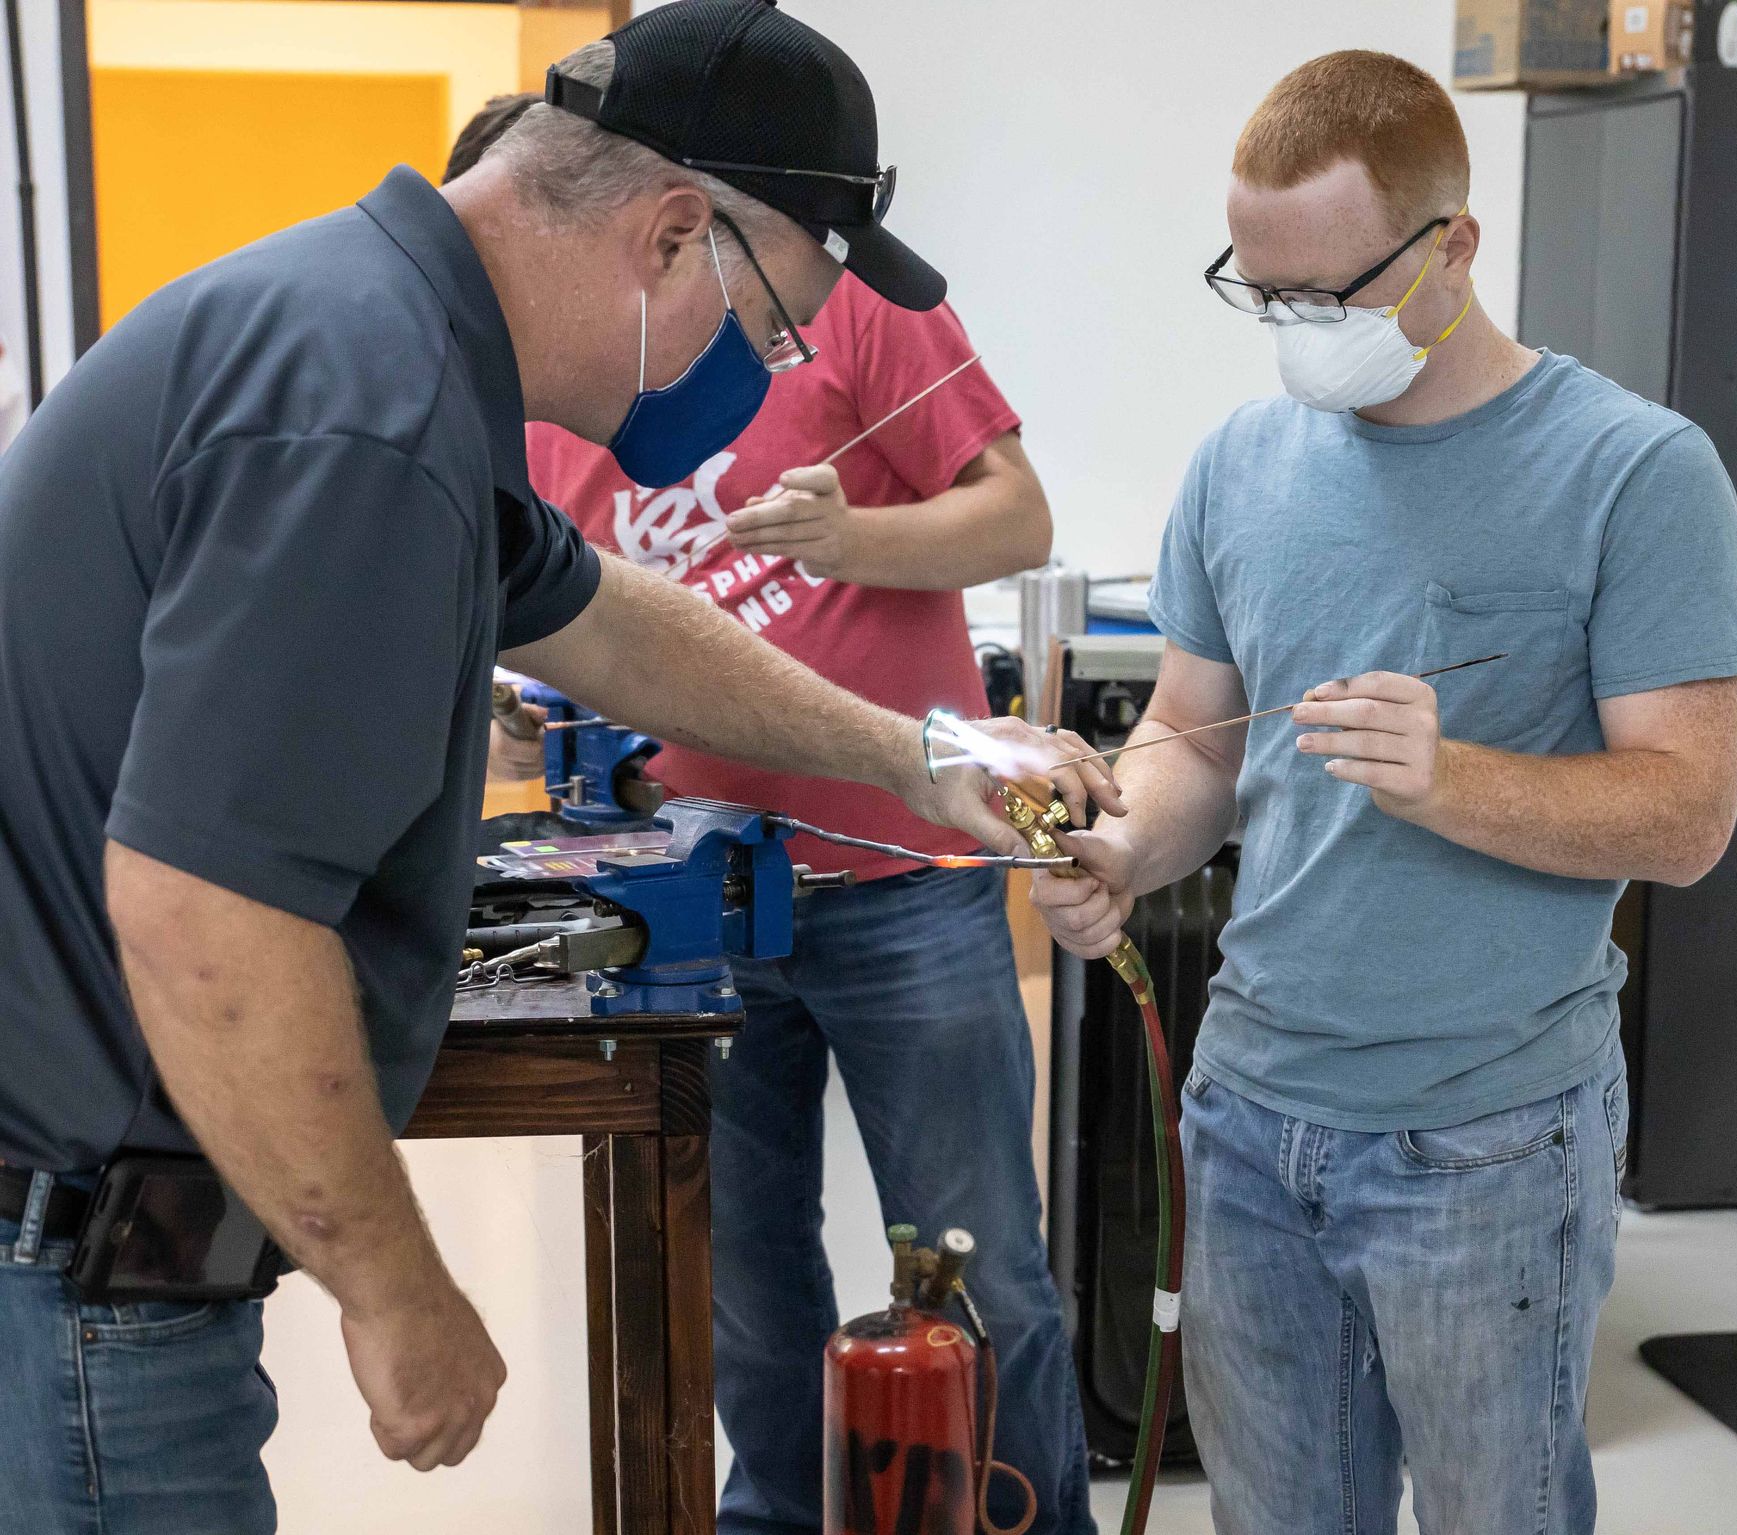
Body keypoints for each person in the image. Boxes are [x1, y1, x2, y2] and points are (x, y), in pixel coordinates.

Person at [0, 7, 1117, 1532]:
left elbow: (605, 617)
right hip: (77, 1264)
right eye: (772, 328)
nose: (763, 371)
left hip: (105, 1244)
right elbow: (206, 917)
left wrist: (919, 756)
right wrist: (398, 1291)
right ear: (672, 240)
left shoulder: (388, 338)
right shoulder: (369, 413)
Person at [1030, 51, 1737, 1535]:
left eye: (1330, 298)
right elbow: (1198, 740)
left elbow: (1688, 817)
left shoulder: (1636, 472)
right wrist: (1120, 844)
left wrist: (1453, 780)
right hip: (1245, 1120)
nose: (1296, 334)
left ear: (1453, 251)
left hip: (1486, 1143)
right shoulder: (1241, 463)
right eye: (1263, 292)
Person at [447, 112, 1092, 1531]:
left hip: (906, 882)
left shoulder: (851, 299)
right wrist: (527, 714)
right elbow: (563, 630)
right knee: (742, 1282)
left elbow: (1019, 520)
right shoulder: (540, 391)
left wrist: (850, 538)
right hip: (690, 901)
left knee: (988, 1280)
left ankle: (1026, 1517)